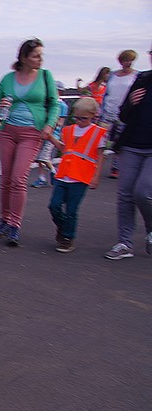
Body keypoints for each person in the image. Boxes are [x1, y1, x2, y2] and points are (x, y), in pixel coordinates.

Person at [0, 38, 60, 247]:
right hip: (8, 131)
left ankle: (14, 224)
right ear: (24, 57)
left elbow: (54, 104)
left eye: (41, 55)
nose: (40, 59)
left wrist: (49, 125)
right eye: (36, 56)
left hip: (32, 133)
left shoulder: (45, 77)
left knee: (19, 178)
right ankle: (4, 219)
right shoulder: (8, 79)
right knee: (6, 179)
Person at [39, 97, 107, 254]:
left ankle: (67, 237)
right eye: (77, 118)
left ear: (93, 116)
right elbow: (65, 149)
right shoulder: (69, 130)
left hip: (81, 177)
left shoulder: (98, 133)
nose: (80, 121)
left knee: (71, 209)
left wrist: (96, 177)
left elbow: (100, 156)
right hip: (63, 174)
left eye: (84, 118)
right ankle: (63, 228)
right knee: (54, 205)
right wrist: (50, 137)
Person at [103, 45, 152, 260]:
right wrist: (131, 103)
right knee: (125, 194)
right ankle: (124, 242)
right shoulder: (142, 79)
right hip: (132, 143)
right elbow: (123, 114)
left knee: (142, 192)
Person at [100, 50, 139, 179]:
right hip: (108, 112)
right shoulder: (112, 75)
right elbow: (106, 93)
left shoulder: (136, 76)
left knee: (119, 141)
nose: (128, 63)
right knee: (101, 140)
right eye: (126, 60)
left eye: (131, 60)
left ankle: (116, 167)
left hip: (124, 113)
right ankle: (95, 165)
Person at [31, 85, 69, 188]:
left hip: (53, 135)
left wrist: (50, 124)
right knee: (40, 157)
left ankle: (54, 172)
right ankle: (41, 178)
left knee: (44, 157)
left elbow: (60, 122)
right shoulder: (47, 103)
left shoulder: (62, 106)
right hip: (43, 133)